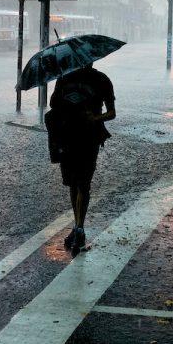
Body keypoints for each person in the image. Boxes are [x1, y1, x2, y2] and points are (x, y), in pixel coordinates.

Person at [48, 64, 116, 256]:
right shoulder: (65, 78)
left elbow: (112, 113)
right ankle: (78, 227)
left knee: (82, 184)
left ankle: (79, 227)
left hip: (89, 138)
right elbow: (53, 104)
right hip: (68, 138)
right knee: (74, 184)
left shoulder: (101, 80)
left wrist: (94, 118)